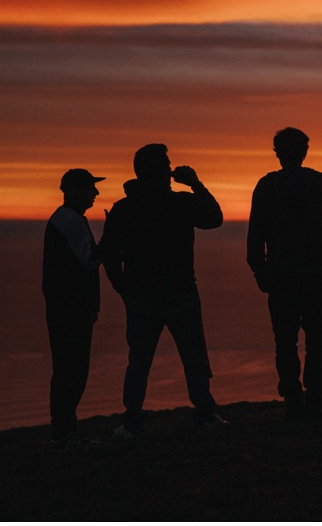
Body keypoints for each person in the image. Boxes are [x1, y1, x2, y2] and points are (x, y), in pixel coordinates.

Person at [100, 144, 226, 437]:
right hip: (180, 294)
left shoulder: (124, 208)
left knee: (140, 361)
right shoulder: (179, 203)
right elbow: (214, 217)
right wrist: (195, 183)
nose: (171, 171)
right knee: (193, 357)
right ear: (158, 172)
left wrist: (123, 289)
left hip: (144, 298)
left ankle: (133, 422)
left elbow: (108, 254)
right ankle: (205, 415)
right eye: (166, 166)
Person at [247, 127, 322, 421]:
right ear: (304, 151)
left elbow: (255, 237)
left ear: (278, 153)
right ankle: (313, 403)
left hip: (282, 277)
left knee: (286, 342)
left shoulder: (267, 186)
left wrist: (260, 271)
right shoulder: (319, 183)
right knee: (316, 341)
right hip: (314, 275)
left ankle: (295, 402)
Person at [42, 167, 105, 450]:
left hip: (64, 309)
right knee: (73, 370)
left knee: (67, 369)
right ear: (76, 191)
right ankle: (64, 433)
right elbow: (90, 261)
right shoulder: (71, 222)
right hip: (70, 310)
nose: (96, 193)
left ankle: (64, 430)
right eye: (91, 188)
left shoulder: (64, 219)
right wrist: (112, 240)